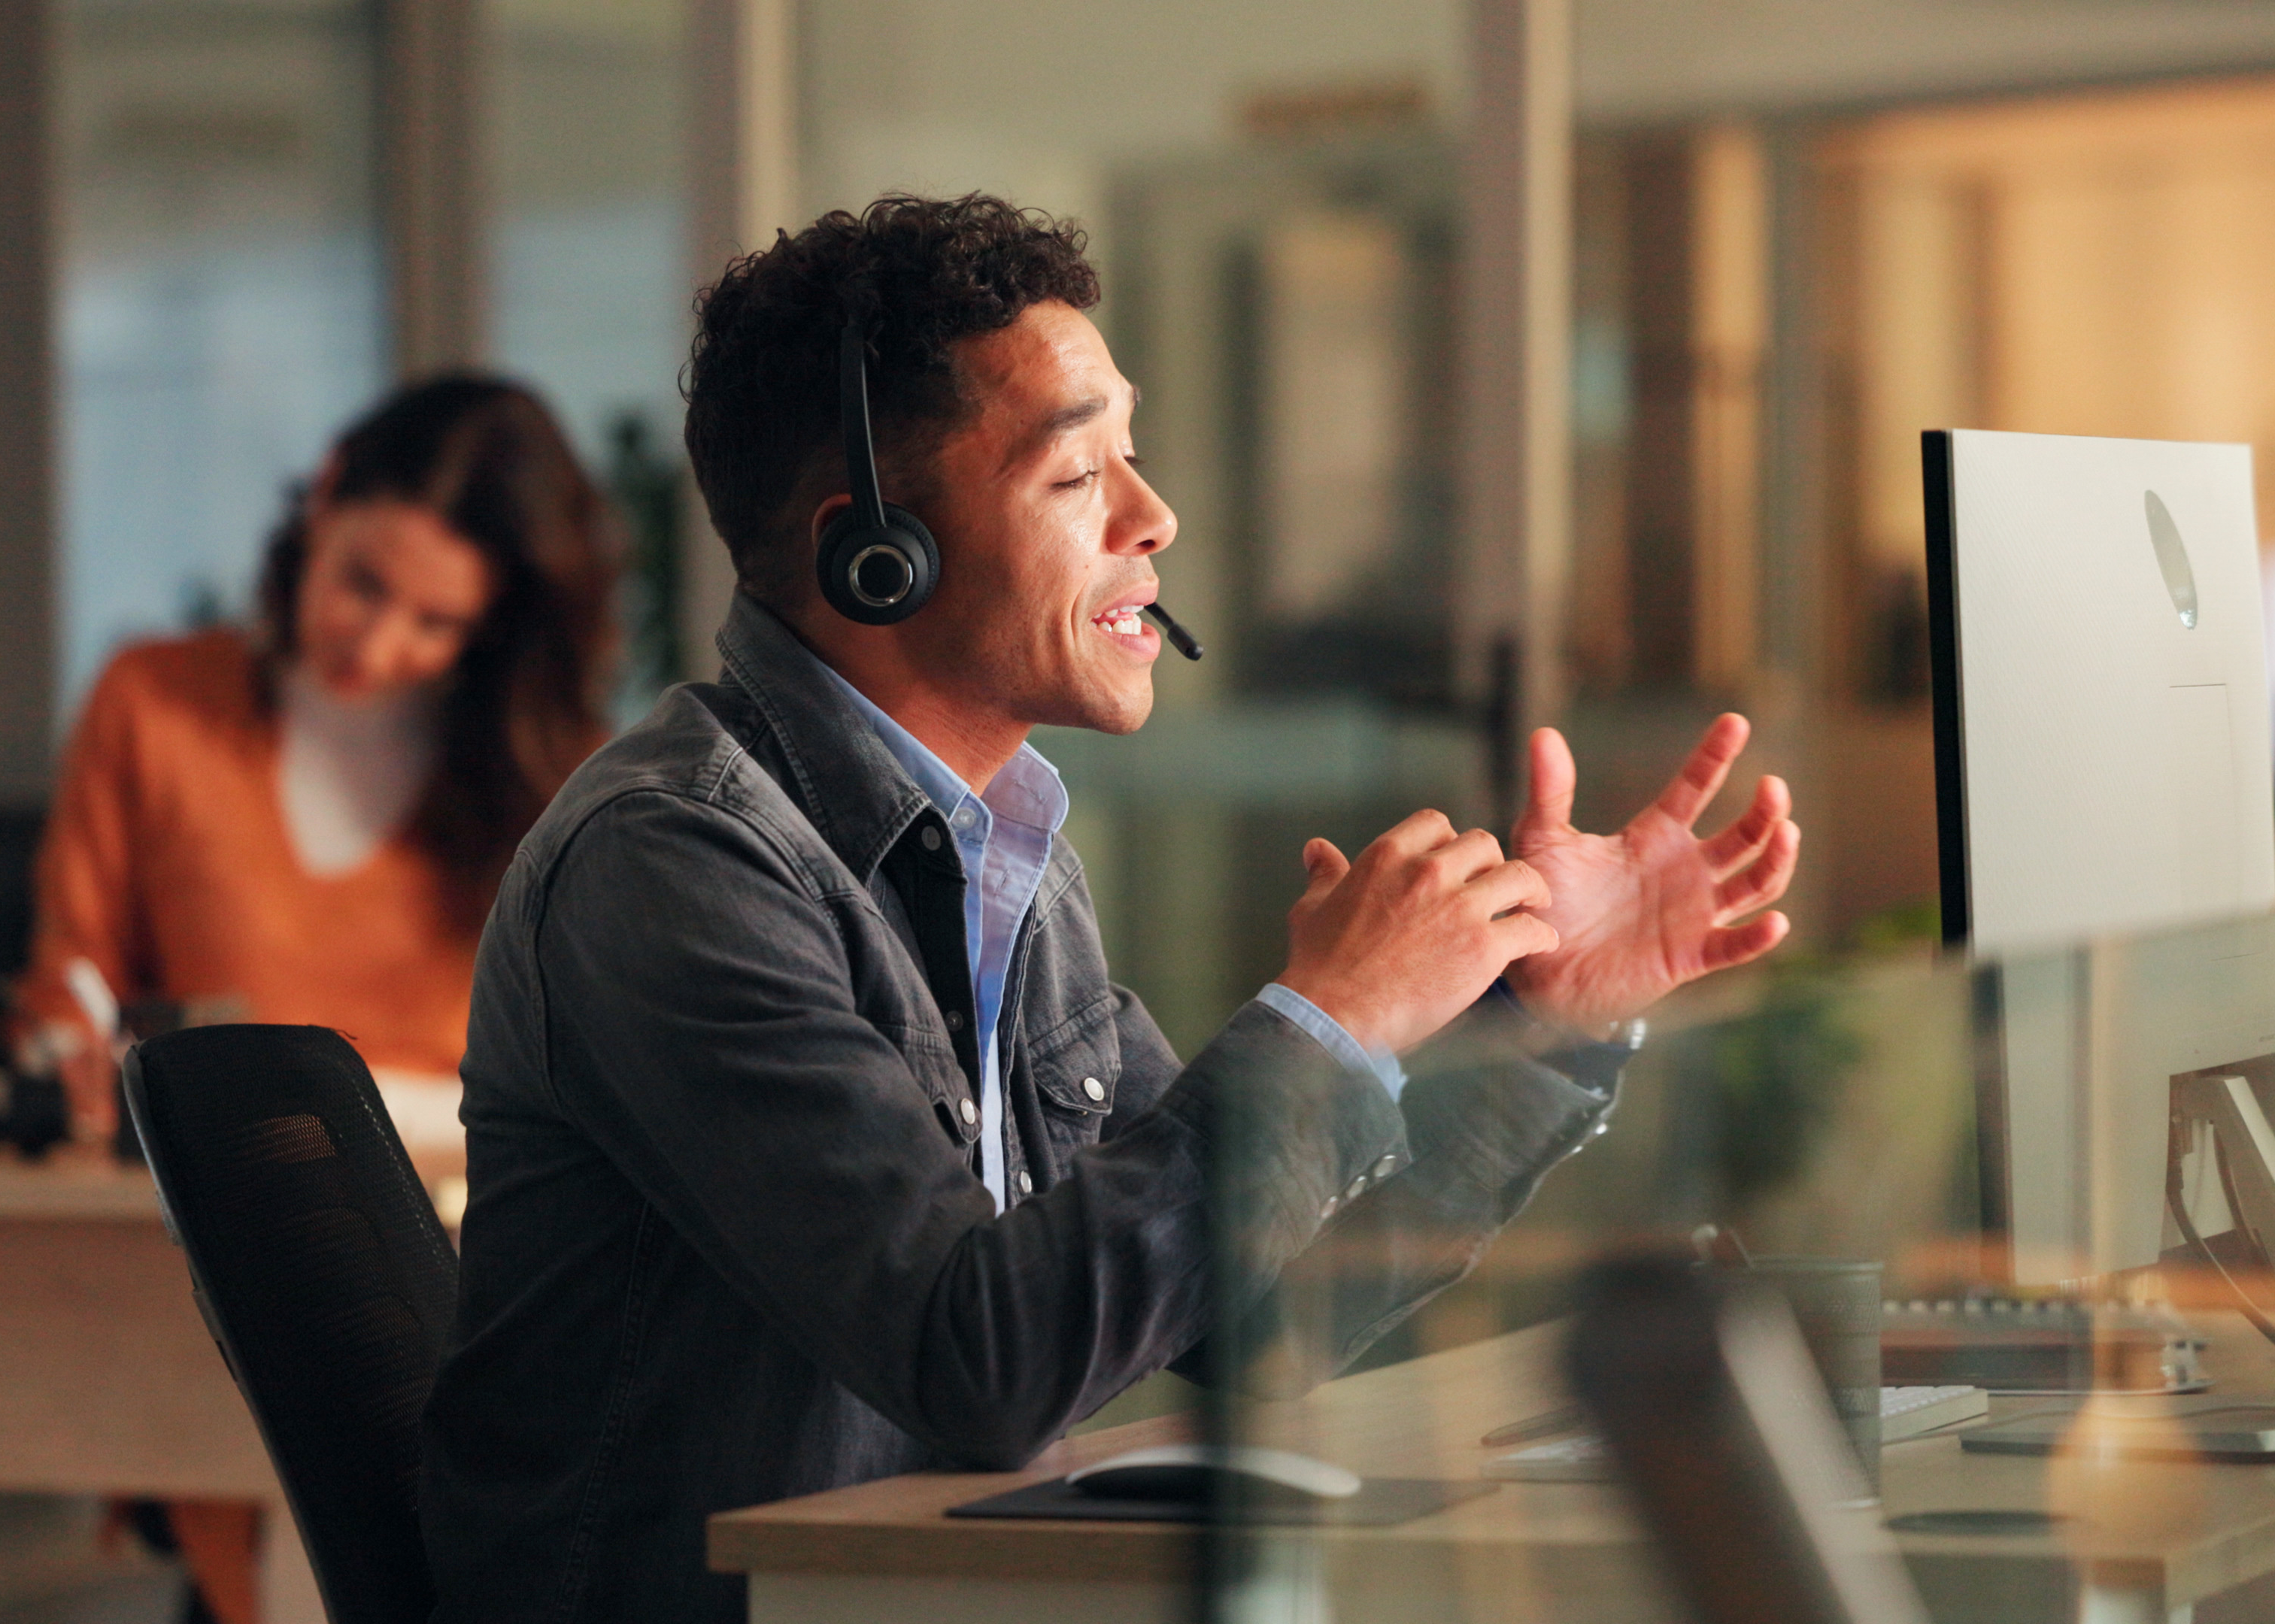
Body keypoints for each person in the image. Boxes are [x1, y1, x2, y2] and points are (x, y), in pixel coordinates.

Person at [417, 195, 1800, 1624]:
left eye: (1130, 456)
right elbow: (985, 1363)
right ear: (873, 551)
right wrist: (1328, 1026)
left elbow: (1258, 1314)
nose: (1157, 518)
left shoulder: (1006, 848)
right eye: (1080, 474)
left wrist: (1541, 1032)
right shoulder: (675, 865)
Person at [16, 373, 622, 1624]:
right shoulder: (155, 707)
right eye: (363, 582)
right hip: (205, 1257)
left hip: (464, 1256)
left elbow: (586, 1076)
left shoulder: (544, 783)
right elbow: (67, 980)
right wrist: (67, 1051)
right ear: (329, 490)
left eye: (437, 623)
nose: (380, 641)